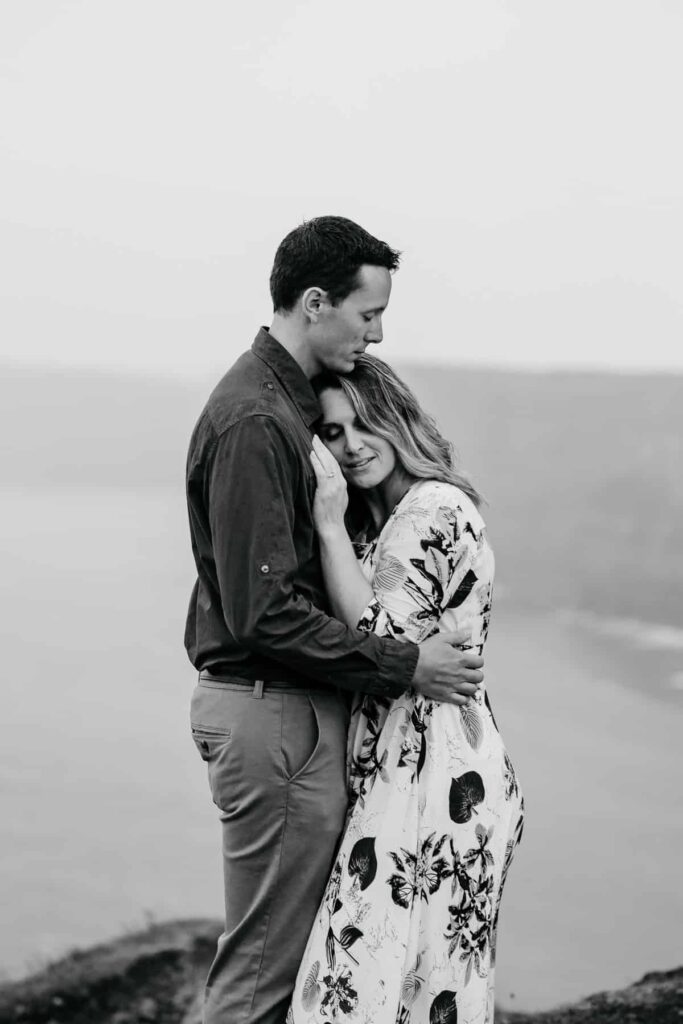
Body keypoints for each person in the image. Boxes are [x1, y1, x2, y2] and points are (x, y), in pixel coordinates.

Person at [184, 216, 485, 1024]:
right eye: (367, 313)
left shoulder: (284, 409)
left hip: (285, 712)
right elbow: (262, 613)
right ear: (315, 302)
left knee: (289, 967)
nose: (377, 332)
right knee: (261, 980)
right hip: (271, 708)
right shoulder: (257, 420)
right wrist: (406, 665)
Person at [287, 356, 524, 1024]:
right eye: (331, 434)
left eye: (364, 423)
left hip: (437, 780)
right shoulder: (383, 523)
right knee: (402, 988)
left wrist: (328, 525)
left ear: (397, 419)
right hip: (408, 771)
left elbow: (382, 646)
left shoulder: (433, 507)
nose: (352, 444)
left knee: (368, 990)